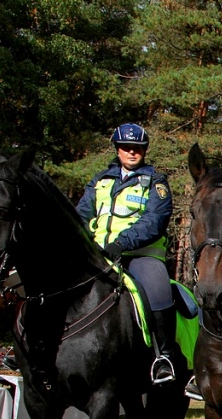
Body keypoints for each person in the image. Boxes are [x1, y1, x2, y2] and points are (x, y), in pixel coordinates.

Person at [77, 122, 177, 384]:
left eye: (137, 148)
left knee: (158, 289)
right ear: (117, 149)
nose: (132, 152)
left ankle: (163, 356)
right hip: (97, 254)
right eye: (126, 148)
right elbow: (82, 215)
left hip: (139, 256)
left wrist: (122, 243)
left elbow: (155, 220)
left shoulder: (156, 181)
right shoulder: (99, 181)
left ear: (144, 150)